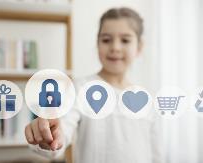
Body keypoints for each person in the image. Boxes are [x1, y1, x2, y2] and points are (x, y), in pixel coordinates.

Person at [25, 7, 163, 163]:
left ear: (139, 47)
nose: (115, 47)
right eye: (106, 40)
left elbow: (156, 153)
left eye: (125, 40)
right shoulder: (79, 88)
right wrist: (49, 137)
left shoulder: (148, 99)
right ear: (97, 44)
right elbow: (62, 129)